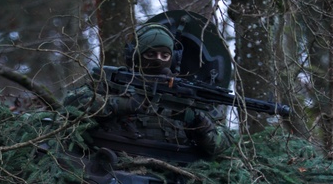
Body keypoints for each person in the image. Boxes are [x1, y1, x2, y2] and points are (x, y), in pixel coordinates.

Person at [65, 23, 221, 160]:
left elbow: (222, 144)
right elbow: (72, 102)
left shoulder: (186, 92)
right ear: (136, 56)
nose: (158, 60)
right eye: (151, 54)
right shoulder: (113, 81)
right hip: (115, 163)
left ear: (173, 59)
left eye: (165, 55)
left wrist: (201, 125)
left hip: (174, 172)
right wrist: (122, 104)